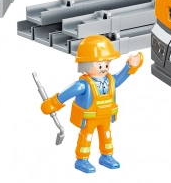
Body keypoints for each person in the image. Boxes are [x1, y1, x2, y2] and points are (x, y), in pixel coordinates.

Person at [40, 35, 143, 173]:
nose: (104, 68)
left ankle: (107, 156)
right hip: (89, 118)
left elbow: (119, 79)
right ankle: (82, 159)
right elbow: (66, 94)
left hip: (106, 116)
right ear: (86, 65)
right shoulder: (83, 85)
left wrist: (130, 66)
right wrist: (53, 103)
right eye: (100, 65)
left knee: (106, 136)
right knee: (86, 137)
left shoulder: (110, 80)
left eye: (107, 64)